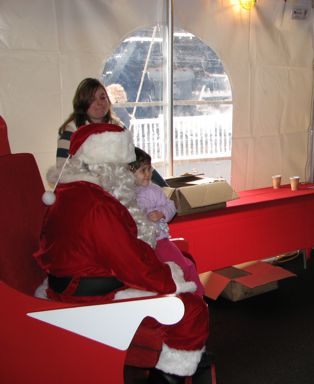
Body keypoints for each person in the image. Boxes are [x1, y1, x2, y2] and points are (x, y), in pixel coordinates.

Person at [34, 123, 209, 384]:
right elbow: (132, 264)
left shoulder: (69, 193)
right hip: (88, 296)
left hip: (68, 283)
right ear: (107, 166)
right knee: (191, 310)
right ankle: (169, 376)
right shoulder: (97, 204)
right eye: (123, 168)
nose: (128, 176)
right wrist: (170, 280)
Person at [54, 77, 168, 188]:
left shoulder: (118, 127)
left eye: (102, 98)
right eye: (92, 99)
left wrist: (164, 187)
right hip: (87, 192)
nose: (99, 103)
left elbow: (138, 160)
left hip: (122, 190)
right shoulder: (71, 132)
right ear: (83, 104)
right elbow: (62, 173)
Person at [129, 147, 205, 297]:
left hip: (159, 240)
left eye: (149, 169)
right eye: (143, 170)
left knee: (184, 266)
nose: (148, 174)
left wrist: (161, 212)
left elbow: (171, 205)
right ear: (129, 173)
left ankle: (198, 296)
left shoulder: (153, 190)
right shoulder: (125, 193)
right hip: (139, 245)